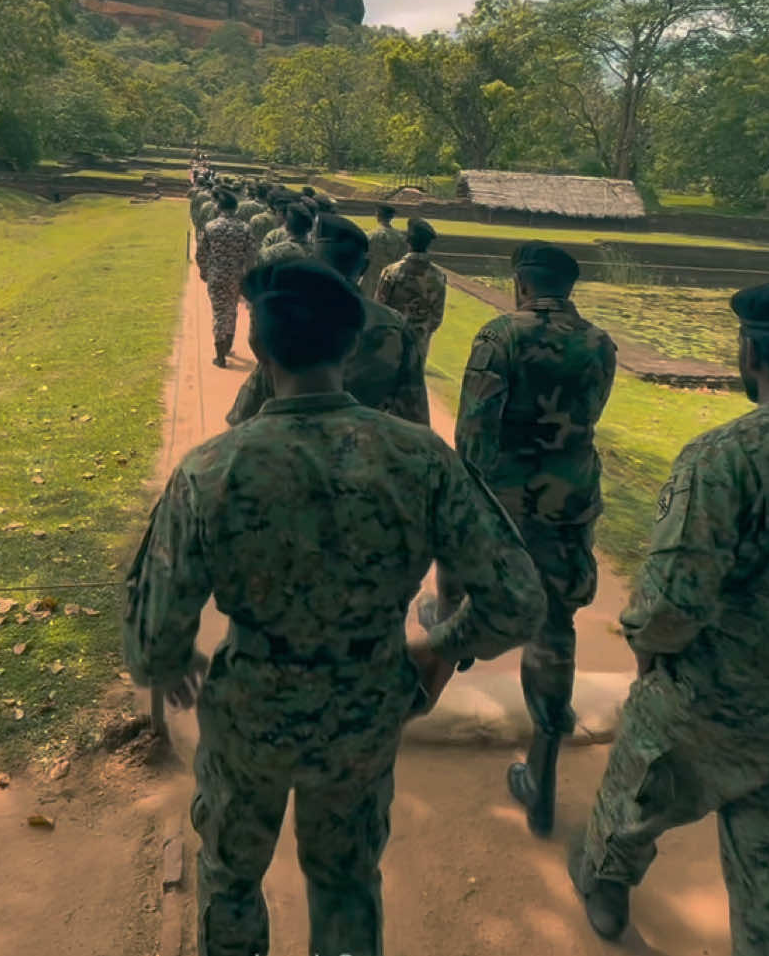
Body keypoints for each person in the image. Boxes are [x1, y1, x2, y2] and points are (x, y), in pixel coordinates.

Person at [123, 259, 547, 956]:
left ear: (258, 346)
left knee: (231, 879)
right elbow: (518, 599)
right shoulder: (421, 460)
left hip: (250, 711)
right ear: (350, 348)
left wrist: (174, 660)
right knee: (347, 882)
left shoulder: (210, 470)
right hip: (366, 706)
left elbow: (149, 638)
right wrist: (441, 646)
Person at [569, 281, 769, 951]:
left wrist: (648, 652)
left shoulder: (724, 457)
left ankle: (605, 885)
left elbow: (672, 602)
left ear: (750, 353)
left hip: (711, 701)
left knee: (635, 792)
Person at [424, 242, 617, 837]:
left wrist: (464, 494)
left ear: (521, 285)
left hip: (504, 494)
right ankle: (544, 763)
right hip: (568, 498)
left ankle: (452, 640)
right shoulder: (600, 343)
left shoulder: (499, 335)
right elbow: (590, 415)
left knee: (463, 566)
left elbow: (475, 429)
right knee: (553, 624)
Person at [227, 213, 430, 426]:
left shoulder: (294, 317)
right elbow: (414, 414)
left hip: (290, 439)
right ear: (364, 267)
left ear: (313, 261)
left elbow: (245, 411)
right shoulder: (395, 327)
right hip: (368, 441)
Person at [195, 188, 254, 368]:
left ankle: (220, 356)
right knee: (231, 310)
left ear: (219, 207)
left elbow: (201, 253)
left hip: (216, 275)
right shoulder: (245, 228)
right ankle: (227, 346)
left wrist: (204, 271)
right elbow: (251, 255)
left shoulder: (210, 227)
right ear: (235, 208)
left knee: (219, 313)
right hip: (236, 277)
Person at [374, 218, 447, 362]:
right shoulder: (438, 276)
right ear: (428, 244)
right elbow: (437, 317)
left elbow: (379, 309)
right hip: (418, 345)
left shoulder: (391, 272)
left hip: (390, 343)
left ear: (408, 241)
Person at [361, 204, 408, 299]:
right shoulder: (400, 238)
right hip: (390, 280)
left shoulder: (370, 235)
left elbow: (363, 258)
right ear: (392, 217)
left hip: (370, 279)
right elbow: (402, 261)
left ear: (377, 215)